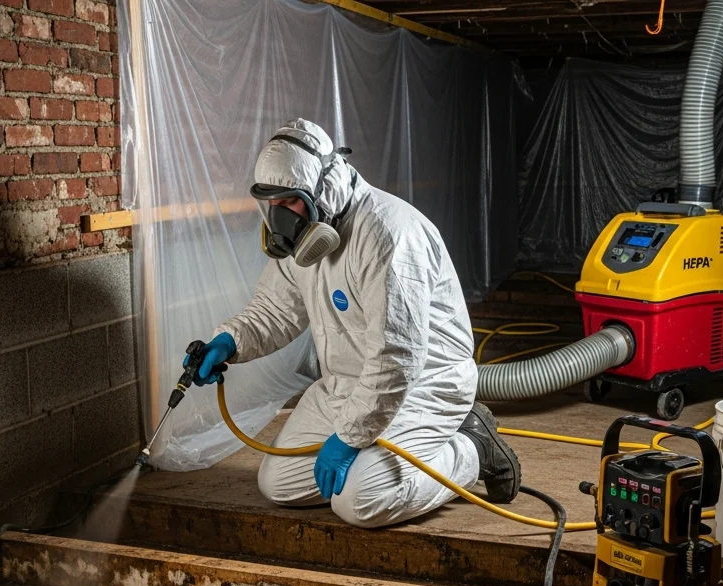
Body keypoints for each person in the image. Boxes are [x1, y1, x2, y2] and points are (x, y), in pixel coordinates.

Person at [185, 118, 521, 529]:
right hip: (346, 384)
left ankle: (472, 449)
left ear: (322, 190)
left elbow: (397, 357)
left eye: (288, 202)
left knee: (362, 500)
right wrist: (228, 342)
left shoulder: (387, 234)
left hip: (421, 386)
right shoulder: (305, 240)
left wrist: (349, 439)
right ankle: (376, 453)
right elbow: (276, 309)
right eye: (270, 203)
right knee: (279, 484)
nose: (278, 218)